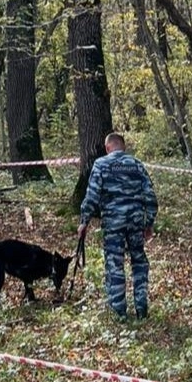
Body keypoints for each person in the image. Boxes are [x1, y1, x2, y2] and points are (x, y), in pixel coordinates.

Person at [79, 133, 158, 320]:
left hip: (113, 223)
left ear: (108, 148)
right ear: (124, 147)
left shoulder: (101, 164)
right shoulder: (136, 164)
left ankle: (119, 310)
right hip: (135, 222)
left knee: (115, 263)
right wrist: (148, 223)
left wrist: (84, 221)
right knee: (139, 261)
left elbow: (92, 196)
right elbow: (151, 197)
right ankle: (141, 307)